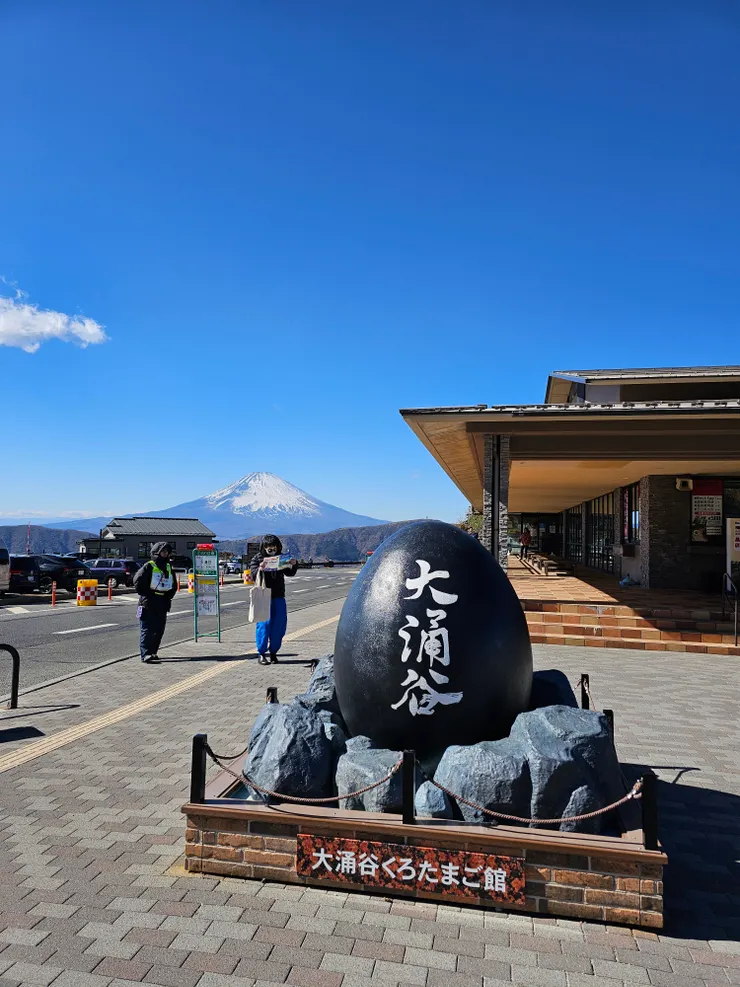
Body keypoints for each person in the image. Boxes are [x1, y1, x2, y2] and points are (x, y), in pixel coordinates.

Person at [250, 534, 298, 665]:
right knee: (263, 625)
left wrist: (293, 565)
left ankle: (273, 652)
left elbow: (290, 573)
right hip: (263, 597)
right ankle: (261, 653)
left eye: (274, 547)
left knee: (279, 625)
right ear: (264, 547)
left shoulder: (281, 558)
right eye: (268, 548)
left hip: (278, 596)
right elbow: (253, 573)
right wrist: (260, 568)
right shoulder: (258, 558)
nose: (271, 550)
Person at [133, 541, 178, 663]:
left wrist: (168, 596)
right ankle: (145, 653)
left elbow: (174, 584)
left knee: (159, 629)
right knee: (147, 628)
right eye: (163, 551)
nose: (165, 554)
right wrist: (148, 593)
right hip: (148, 602)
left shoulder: (168, 567)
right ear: (156, 552)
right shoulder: (149, 566)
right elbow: (137, 582)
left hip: (162, 601)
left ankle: (153, 652)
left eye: (166, 552)